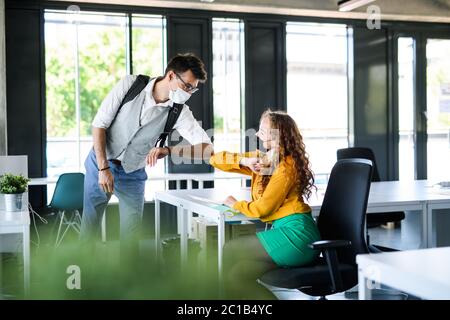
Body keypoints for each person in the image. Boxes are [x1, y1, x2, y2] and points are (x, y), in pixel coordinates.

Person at [80, 53, 213, 262]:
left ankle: (127, 290)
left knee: (131, 240)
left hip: (133, 175)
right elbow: (99, 125)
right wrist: (103, 169)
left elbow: (207, 149)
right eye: (187, 86)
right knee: (89, 229)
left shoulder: (179, 112)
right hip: (101, 164)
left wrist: (169, 151)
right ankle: (80, 286)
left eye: (193, 89)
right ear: (171, 75)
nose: (189, 93)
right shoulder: (131, 85)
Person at [209, 110, 320, 299]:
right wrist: (244, 160)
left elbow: (263, 209)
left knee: (231, 249)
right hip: (284, 234)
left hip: (297, 237)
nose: (257, 134)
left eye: (263, 130)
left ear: (278, 134)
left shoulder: (287, 167)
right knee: (239, 275)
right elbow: (215, 159)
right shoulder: (264, 160)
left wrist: (236, 204)